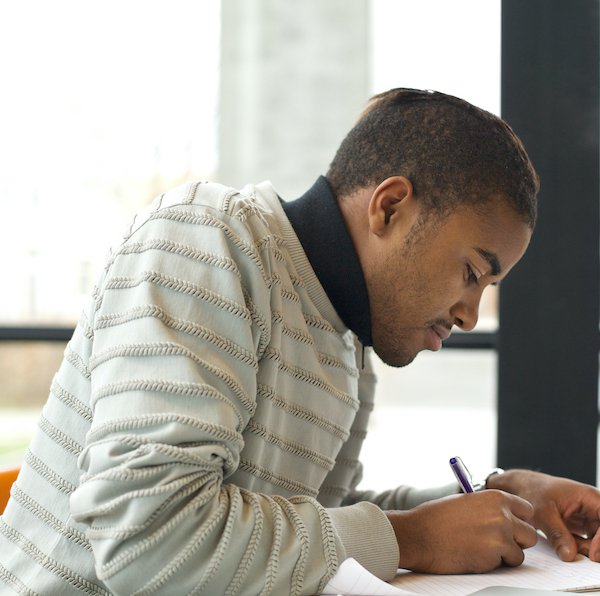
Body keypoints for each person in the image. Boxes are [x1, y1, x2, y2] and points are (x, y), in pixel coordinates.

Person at [1, 88, 599, 596]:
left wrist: (503, 496)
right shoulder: (207, 240)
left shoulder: (343, 337)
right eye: (472, 272)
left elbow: (309, 518)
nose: (470, 314)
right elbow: (150, 537)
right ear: (390, 207)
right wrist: (413, 538)